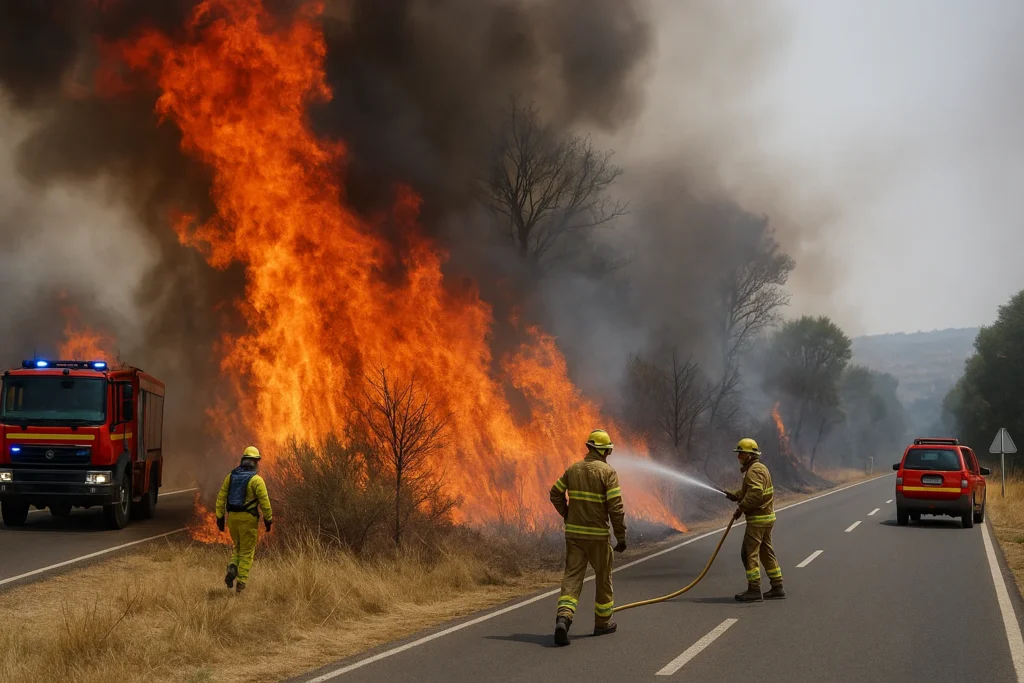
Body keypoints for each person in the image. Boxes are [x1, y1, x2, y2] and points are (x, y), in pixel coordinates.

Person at [548, 428, 627, 647]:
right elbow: (616, 508)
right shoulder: (607, 472)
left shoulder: (573, 469)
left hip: (574, 536)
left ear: (589, 448)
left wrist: (567, 514)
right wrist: (620, 537)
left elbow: (554, 492)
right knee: (603, 579)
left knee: (572, 579)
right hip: (598, 538)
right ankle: (602, 623)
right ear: (604, 451)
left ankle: (564, 618)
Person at [725, 438, 785, 602]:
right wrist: (736, 495)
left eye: (741, 453)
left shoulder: (754, 471)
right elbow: (753, 491)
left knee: (748, 553)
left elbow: (756, 494)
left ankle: (754, 589)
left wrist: (741, 508)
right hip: (765, 518)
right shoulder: (759, 468)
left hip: (758, 519)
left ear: (750, 454)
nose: (739, 457)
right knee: (766, 551)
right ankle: (777, 586)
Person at [215, 445, 273, 593]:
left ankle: (233, 567)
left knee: (238, 548)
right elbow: (265, 502)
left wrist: (220, 517)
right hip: (248, 520)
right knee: (247, 551)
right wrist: (268, 520)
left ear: (243, 460)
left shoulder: (231, 476)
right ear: (255, 462)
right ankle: (241, 584)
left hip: (232, 519)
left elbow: (221, 497)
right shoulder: (257, 480)